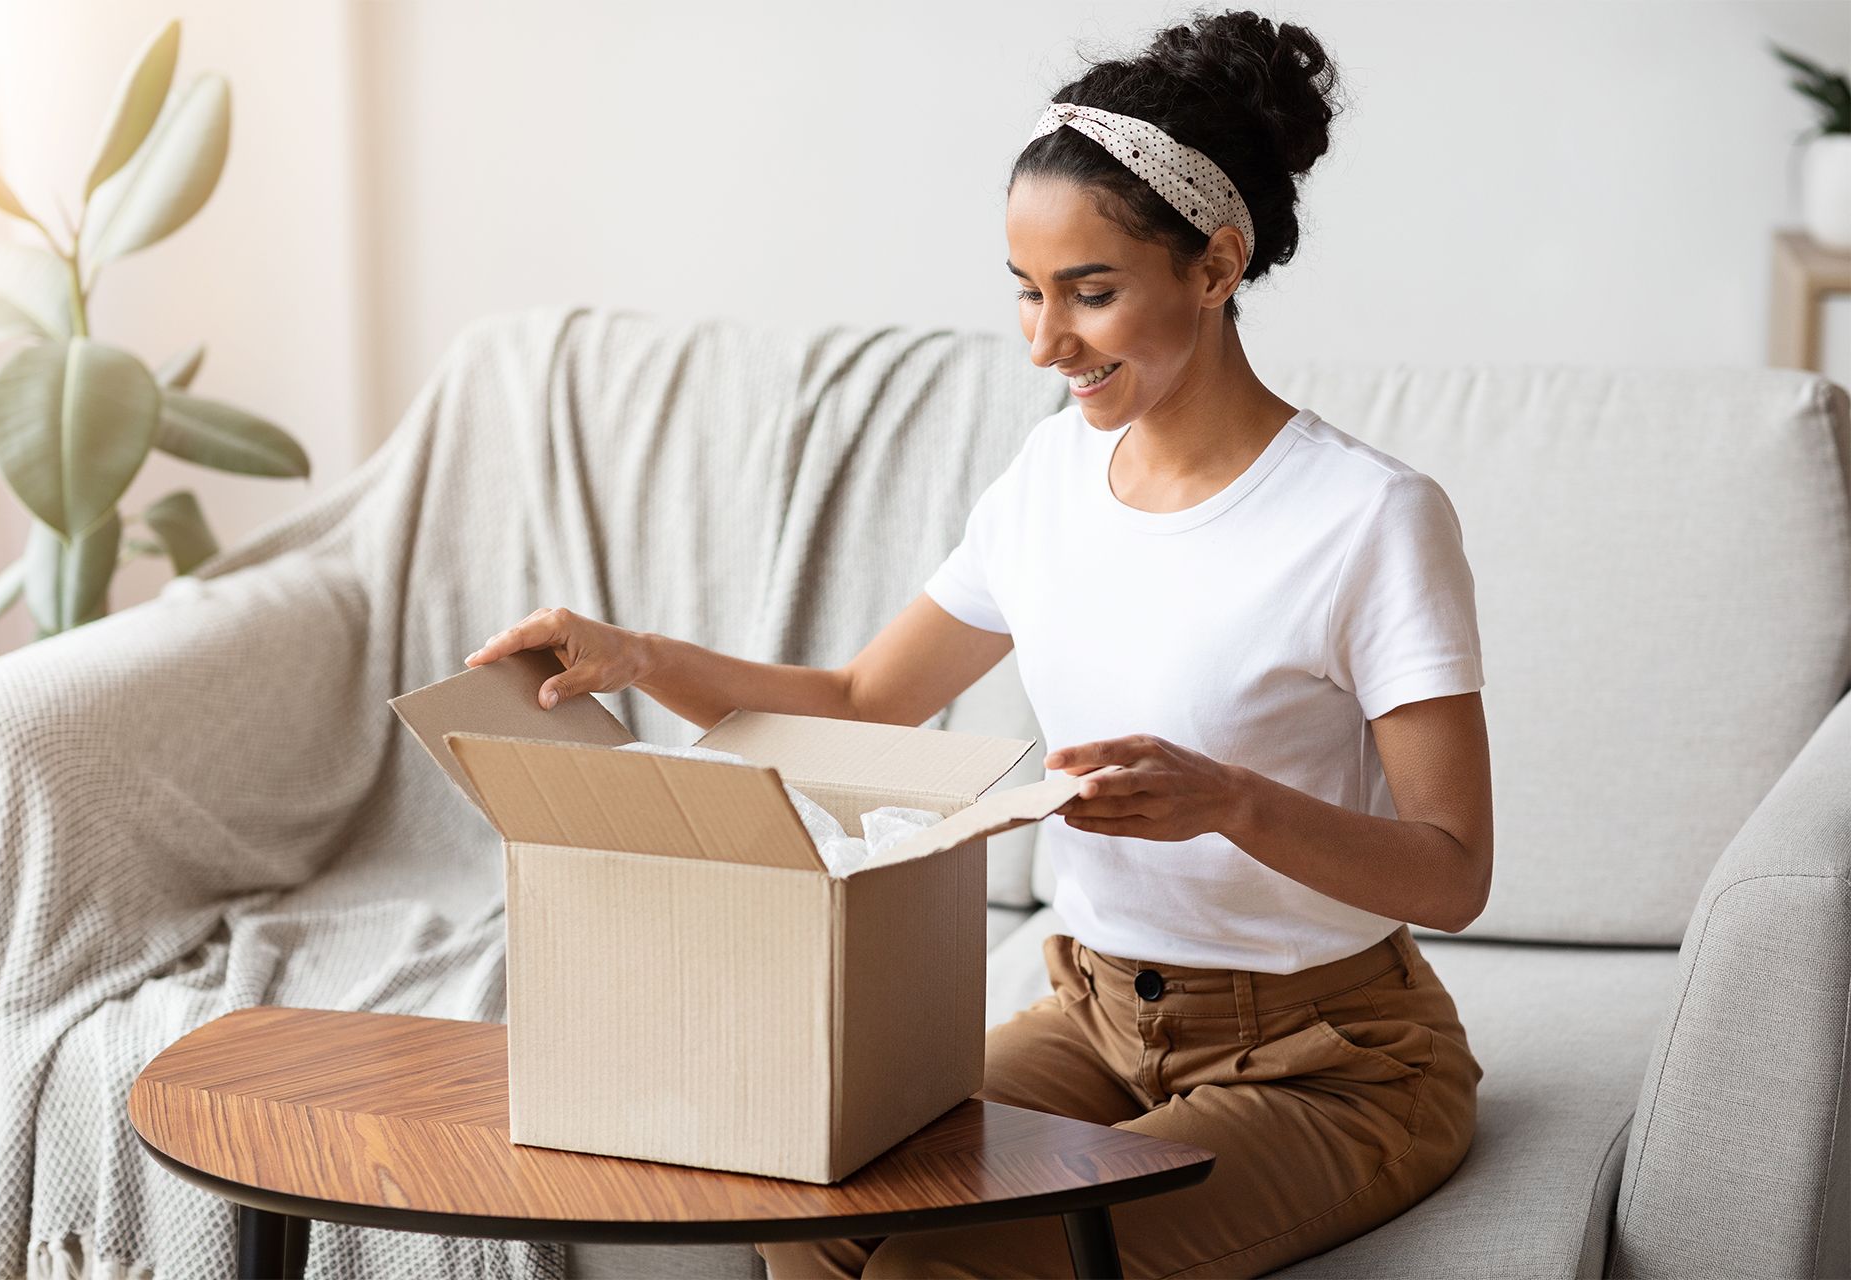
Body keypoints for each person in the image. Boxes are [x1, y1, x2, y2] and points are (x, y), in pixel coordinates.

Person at [465, 8, 1489, 1276]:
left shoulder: (1370, 517)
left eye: (1092, 292)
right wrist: (634, 657)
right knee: (804, 1199)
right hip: (1096, 1015)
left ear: (1217, 266)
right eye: (1026, 290)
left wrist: (1229, 799)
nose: (1046, 341)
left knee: (929, 1265)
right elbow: (860, 697)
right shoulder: (1050, 476)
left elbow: (1453, 874)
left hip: (1331, 1063)